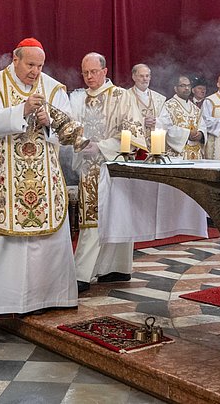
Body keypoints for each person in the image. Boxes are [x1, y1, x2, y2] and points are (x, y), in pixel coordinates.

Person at [0, 38, 77, 352]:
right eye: (30, 65)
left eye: (39, 66)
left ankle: (39, 300)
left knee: (40, 247)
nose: (35, 72)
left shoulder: (53, 88)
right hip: (1, 174)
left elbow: (71, 130)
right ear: (15, 59)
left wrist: (54, 123)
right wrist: (22, 109)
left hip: (43, 178)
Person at [70, 53, 146, 293]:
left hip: (115, 164)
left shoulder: (122, 96)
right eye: (85, 73)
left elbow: (134, 131)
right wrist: (78, 143)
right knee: (91, 219)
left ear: (104, 71)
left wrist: (102, 147)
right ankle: (83, 272)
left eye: (93, 72)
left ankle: (115, 268)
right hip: (89, 167)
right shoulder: (78, 99)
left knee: (118, 215)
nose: (89, 77)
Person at [157, 74, 207, 160]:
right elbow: (165, 128)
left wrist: (201, 134)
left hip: (196, 154)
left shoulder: (195, 109)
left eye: (188, 85)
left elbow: (202, 126)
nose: (187, 88)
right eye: (182, 86)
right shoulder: (168, 106)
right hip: (177, 156)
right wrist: (187, 134)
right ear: (175, 88)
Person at [128, 63, 166, 147]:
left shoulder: (159, 98)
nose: (145, 79)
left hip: (156, 146)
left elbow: (166, 121)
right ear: (134, 77)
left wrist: (156, 122)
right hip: (135, 145)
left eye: (147, 76)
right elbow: (122, 120)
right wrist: (142, 121)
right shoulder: (126, 96)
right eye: (141, 76)